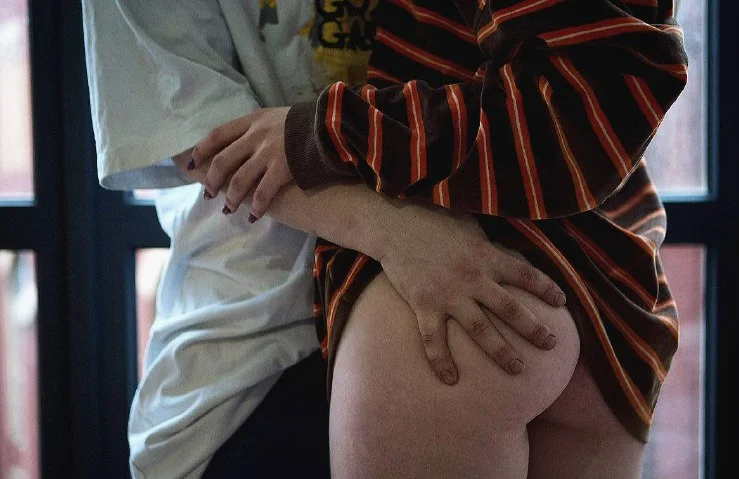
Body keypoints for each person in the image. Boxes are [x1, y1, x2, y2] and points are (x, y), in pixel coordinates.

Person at [84, 0, 687, 477]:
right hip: (575, 289)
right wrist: (402, 234)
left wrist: (330, 140)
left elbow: (572, 101)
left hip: (430, 321)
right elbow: (210, 143)